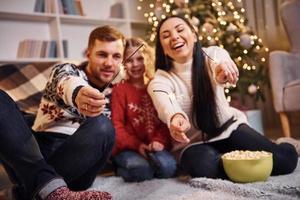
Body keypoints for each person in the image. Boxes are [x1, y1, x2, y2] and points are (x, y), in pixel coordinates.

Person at [147, 15, 298, 179]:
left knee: (284, 162)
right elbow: (165, 102)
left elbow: (219, 62)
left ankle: (281, 143)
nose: (175, 36)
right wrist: (175, 116)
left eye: (180, 29)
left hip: (229, 129)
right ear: (162, 48)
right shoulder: (160, 80)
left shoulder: (211, 54)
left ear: (194, 35)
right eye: (166, 35)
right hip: (192, 146)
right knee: (206, 168)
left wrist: (223, 70)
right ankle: (231, 157)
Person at [0, 25, 126, 200]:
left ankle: (26, 192)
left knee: (103, 125)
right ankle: (47, 189)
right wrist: (78, 93)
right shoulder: (67, 70)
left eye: (116, 56)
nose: (109, 63)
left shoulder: (122, 90)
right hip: (36, 154)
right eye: (102, 54)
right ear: (88, 54)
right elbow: (66, 81)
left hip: (79, 167)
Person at [110, 37, 177, 182]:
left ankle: (149, 165)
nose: (135, 65)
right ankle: (117, 166)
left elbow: (165, 120)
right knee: (141, 171)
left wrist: (159, 141)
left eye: (140, 59)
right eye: (129, 60)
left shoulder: (156, 85)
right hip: (129, 148)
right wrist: (137, 145)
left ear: (147, 59)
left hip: (153, 146)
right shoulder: (120, 90)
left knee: (169, 168)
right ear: (123, 64)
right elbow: (117, 127)